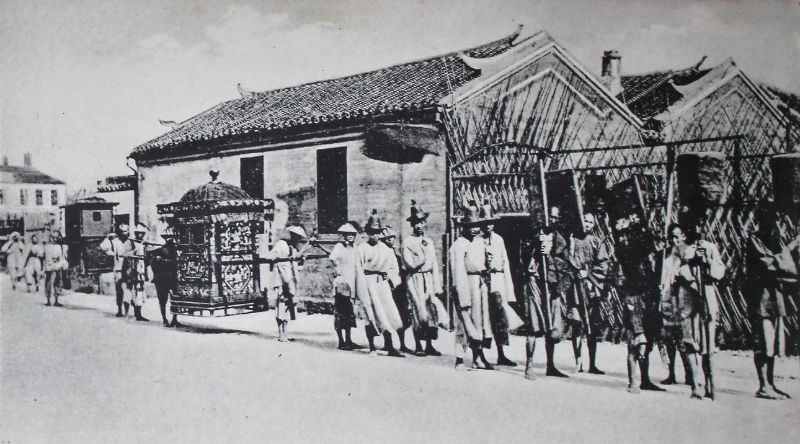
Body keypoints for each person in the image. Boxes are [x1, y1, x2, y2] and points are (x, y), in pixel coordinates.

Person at [660, 222, 725, 400]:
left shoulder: (709, 248)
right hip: (686, 303)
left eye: (680, 235)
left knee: (708, 347)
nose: (678, 239)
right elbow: (671, 276)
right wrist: (685, 267)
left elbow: (719, 272)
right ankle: (695, 386)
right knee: (689, 343)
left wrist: (707, 261)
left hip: (707, 303)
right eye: (675, 237)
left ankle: (711, 386)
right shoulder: (674, 253)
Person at [746, 203, 795, 400]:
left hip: (774, 298)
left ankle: (770, 383)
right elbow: (772, 266)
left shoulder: (776, 242)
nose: (775, 225)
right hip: (761, 298)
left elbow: (790, 268)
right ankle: (764, 385)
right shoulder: (755, 241)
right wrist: (788, 251)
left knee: (771, 343)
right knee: (763, 342)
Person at [611, 216, 664, 394]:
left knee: (647, 342)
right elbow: (619, 279)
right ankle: (633, 381)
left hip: (648, 300)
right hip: (633, 299)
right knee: (634, 342)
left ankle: (645, 379)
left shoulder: (650, 259)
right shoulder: (626, 256)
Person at [448, 203, 493, 370]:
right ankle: (459, 358)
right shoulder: (458, 245)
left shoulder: (479, 242)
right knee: (463, 322)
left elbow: (484, 265)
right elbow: (458, 271)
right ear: (464, 227)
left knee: (478, 322)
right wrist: (462, 295)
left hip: (478, 285)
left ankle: (477, 357)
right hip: (465, 285)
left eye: (476, 226)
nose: (474, 230)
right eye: (471, 226)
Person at [524, 222, 570, 379]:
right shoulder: (533, 245)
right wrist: (537, 252)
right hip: (535, 286)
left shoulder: (560, 248)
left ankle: (550, 365)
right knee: (533, 325)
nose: (543, 240)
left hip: (551, 289)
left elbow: (564, 269)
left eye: (548, 238)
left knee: (552, 327)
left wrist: (549, 256)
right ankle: (529, 365)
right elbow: (525, 259)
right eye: (541, 236)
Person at [355, 210, 404, 357]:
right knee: (371, 314)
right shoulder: (361, 248)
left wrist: (390, 278)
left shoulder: (386, 249)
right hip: (368, 283)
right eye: (372, 233)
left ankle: (390, 346)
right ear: (367, 233)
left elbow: (393, 267)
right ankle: (372, 347)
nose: (374, 236)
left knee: (387, 313)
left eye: (377, 233)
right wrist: (360, 289)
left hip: (382, 284)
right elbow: (358, 270)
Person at [567, 212, 610, 374]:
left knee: (592, 325)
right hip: (575, 286)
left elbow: (603, 264)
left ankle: (592, 364)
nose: (587, 224)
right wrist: (575, 271)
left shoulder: (597, 241)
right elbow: (566, 260)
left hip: (591, 287)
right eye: (585, 221)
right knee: (577, 323)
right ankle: (578, 361)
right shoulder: (572, 240)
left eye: (591, 222)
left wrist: (589, 273)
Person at [402, 201, 445, 357]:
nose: (419, 226)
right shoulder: (408, 242)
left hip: (428, 279)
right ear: (412, 225)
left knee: (430, 311)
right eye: (416, 223)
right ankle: (418, 345)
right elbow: (410, 264)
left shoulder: (429, 242)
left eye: (421, 222)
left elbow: (434, 264)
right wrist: (422, 257)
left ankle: (429, 345)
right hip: (415, 279)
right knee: (418, 310)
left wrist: (436, 285)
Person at [481, 202, 521, 366]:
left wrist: (509, 290)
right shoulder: (478, 241)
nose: (488, 226)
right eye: (485, 223)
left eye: (491, 223)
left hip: (498, 280)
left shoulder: (498, 240)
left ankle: (501, 354)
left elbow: (505, 264)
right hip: (484, 281)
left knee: (500, 317)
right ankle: (481, 355)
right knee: (485, 317)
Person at [324, 222, 362, 350]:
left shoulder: (355, 248)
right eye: (347, 234)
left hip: (352, 284)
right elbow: (332, 258)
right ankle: (341, 341)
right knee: (341, 313)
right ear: (344, 235)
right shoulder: (339, 246)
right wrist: (338, 269)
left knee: (350, 313)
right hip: (342, 282)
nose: (350, 236)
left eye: (352, 234)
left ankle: (349, 340)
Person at [266, 226, 307, 342]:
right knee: (281, 305)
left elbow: (296, 265)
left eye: (298, 237)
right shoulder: (281, 244)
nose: (297, 239)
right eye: (295, 236)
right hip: (281, 280)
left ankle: (285, 332)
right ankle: (280, 333)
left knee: (289, 306)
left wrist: (301, 260)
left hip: (290, 281)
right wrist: (281, 260)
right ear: (291, 235)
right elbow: (271, 257)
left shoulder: (293, 248)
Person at [381, 226, 414, 354]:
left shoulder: (397, 255)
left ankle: (402, 344)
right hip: (386, 288)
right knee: (387, 315)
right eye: (387, 238)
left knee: (402, 315)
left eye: (392, 238)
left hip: (399, 289)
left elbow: (402, 272)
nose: (390, 240)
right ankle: (387, 343)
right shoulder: (381, 254)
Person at [100, 223, 136, 317]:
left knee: (129, 289)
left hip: (129, 269)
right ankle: (119, 309)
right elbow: (104, 246)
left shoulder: (131, 241)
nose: (124, 233)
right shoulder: (115, 241)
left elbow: (137, 250)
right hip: (118, 268)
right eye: (122, 231)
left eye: (126, 231)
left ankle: (128, 310)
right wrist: (111, 252)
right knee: (119, 289)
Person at [148, 234, 181, 327]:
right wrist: (157, 260)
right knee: (163, 300)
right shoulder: (159, 250)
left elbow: (176, 262)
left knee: (175, 299)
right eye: (168, 237)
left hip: (173, 278)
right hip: (161, 279)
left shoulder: (176, 250)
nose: (170, 239)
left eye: (171, 237)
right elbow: (151, 260)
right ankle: (164, 319)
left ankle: (174, 319)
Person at [122, 223, 151, 321]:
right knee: (128, 290)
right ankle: (126, 313)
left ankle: (138, 314)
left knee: (139, 292)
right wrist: (135, 250)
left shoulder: (144, 243)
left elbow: (147, 258)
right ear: (136, 233)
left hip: (140, 270)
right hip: (131, 269)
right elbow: (125, 254)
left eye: (142, 233)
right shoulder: (130, 242)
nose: (140, 235)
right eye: (138, 233)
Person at [43, 231, 68, 306]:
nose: (55, 239)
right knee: (48, 282)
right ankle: (48, 300)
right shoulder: (47, 246)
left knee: (58, 282)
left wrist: (61, 263)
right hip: (50, 266)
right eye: (53, 237)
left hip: (57, 265)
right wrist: (49, 264)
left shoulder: (59, 246)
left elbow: (61, 256)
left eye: (57, 237)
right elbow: (46, 256)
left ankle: (56, 300)